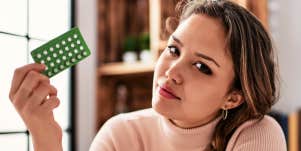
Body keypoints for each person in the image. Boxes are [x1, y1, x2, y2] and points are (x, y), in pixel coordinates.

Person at [9, 0, 287, 151]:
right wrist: (45, 138)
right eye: (174, 50)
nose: (172, 71)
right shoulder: (121, 134)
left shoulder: (257, 133)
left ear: (233, 97)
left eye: (202, 67)